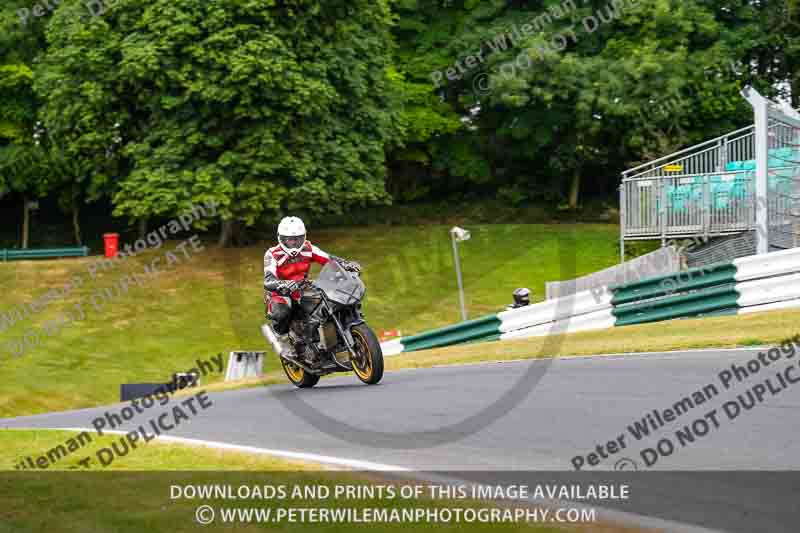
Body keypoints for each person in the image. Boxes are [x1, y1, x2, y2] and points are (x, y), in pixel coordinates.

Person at [263, 216, 361, 358]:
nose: (294, 243)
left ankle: (329, 337)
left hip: (303, 287)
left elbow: (328, 259)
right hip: (280, 291)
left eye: (298, 239)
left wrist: (346, 264)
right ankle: (283, 339)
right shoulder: (272, 254)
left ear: (304, 237)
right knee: (281, 310)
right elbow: (268, 280)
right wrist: (282, 284)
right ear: (281, 238)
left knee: (331, 300)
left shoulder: (308, 248)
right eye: (290, 239)